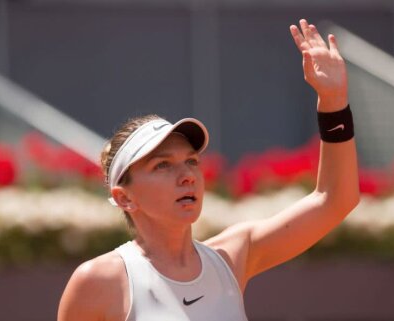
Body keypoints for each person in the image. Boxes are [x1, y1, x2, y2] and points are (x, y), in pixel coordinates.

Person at [58, 19, 359, 321]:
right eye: (162, 165)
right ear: (124, 198)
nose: (187, 175)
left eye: (191, 161)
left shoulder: (232, 256)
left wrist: (333, 102)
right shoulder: (97, 282)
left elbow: (335, 199)